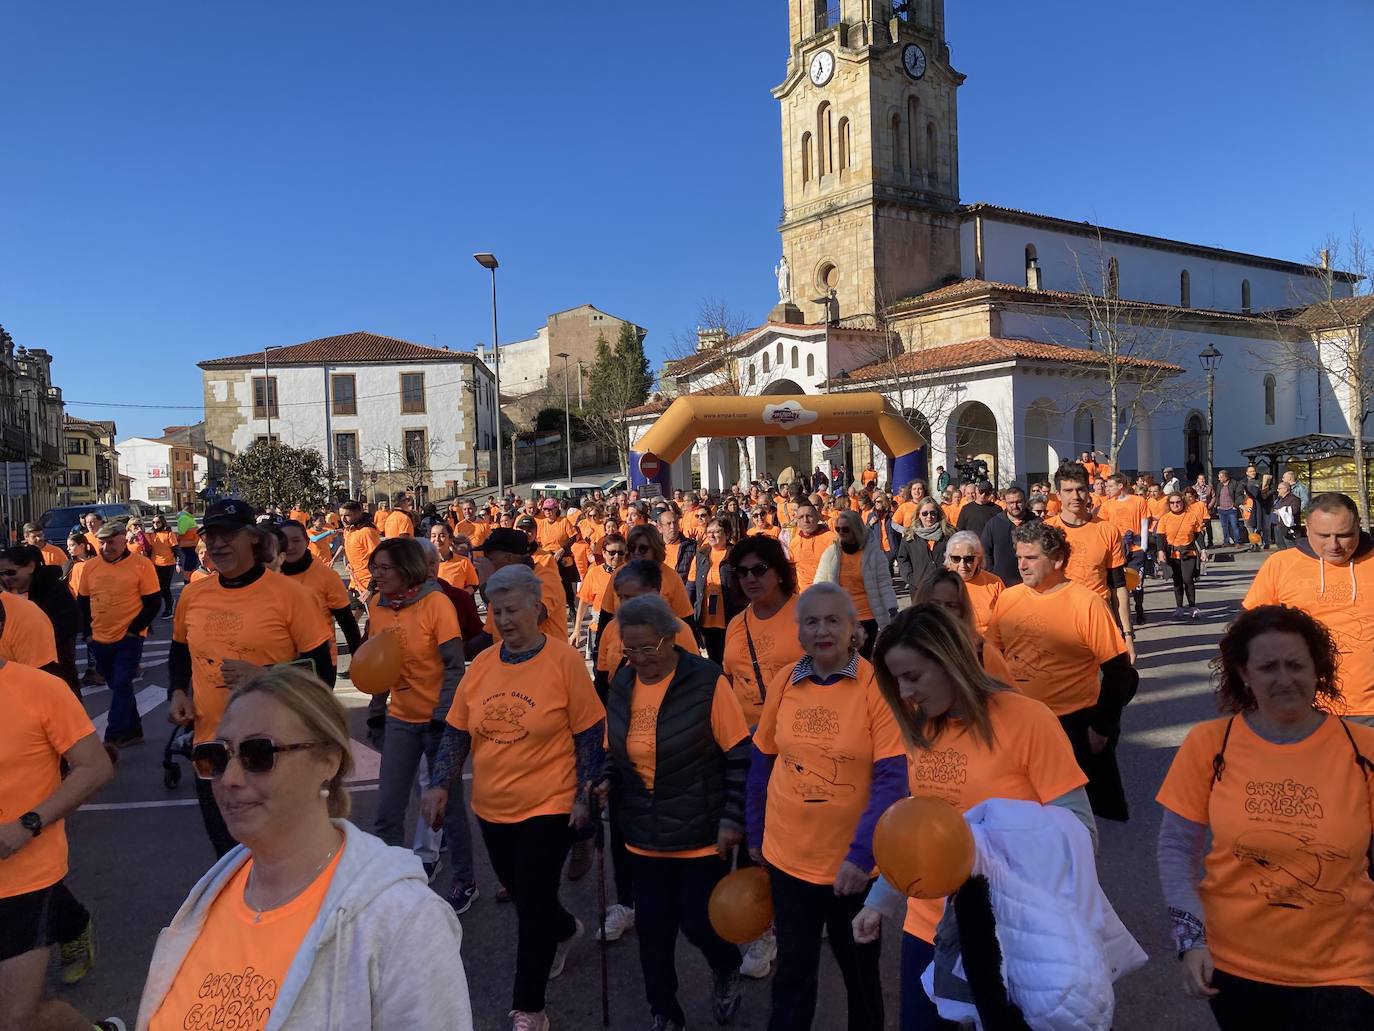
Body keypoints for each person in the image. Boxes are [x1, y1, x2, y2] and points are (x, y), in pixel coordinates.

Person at [137, 665, 473, 1030]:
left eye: (258, 754)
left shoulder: (403, 922)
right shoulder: (211, 894)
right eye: (217, 756)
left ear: (328, 760)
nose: (229, 779)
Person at [854, 603, 1093, 1030]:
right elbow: (919, 837)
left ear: (950, 659)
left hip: (1009, 932)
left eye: (913, 676)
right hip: (927, 929)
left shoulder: (1028, 721)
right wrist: (879, 903)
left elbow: (1081, 833)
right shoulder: (920, 730)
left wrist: (985, 845)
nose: (905, 692)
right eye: (896, 681)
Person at [1156, 606, 1374, 1028]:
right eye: (1268, 666)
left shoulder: (1362, 749)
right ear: (1244, 673)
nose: (1284, 678)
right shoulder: (1209, 744)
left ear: (1318, 669)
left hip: (1344, 967)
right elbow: (1176, 848)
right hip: (1235, 967)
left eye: (1296, 665)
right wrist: (1190, 942)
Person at [423, 565, 605, 1031]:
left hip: (551, 803)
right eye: (496, 610)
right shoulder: (483, 665)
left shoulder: (563, 662)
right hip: (492, 806)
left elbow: (589, 733)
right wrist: (440, 783)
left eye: (512, 609)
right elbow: (457, 732)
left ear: (537, 609)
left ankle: (529, 1008)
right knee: (531, 897)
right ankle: (565, 930)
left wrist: (585, 794)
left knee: (532, 899)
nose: (503, 619)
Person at [747, 582, 907, 1031]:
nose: (823, 630)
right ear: (799, 632)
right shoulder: (784, 682)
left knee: (859, 976)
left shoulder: (877, 686)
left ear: (854, 629)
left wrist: (862, 856)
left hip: (850, 870)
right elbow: (762, 760)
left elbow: (893, 779)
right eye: (812, 621)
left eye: (834, 620)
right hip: (788, 860)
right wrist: (755, 830)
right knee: (794, 976)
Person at [598, 594, 750, 1028]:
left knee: (701, 925)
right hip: (642, 833)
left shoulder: (706, 681)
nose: (640, 658)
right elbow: (615, 751)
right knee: (653, 933)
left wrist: (732, 818)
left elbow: (739, 754)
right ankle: (665, 1012)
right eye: (630, 649)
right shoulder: (624, 684)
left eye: (649, 648)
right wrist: (606, 780)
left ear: (671, 638)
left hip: (701, 831)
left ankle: (725, 966)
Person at [168, 499, 335, 857]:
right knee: (228, 857)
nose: (217, 544)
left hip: (275, 752)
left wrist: (266, 676)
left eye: (228, 534)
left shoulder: (292, 596)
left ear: (254, 540)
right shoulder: (194, 595)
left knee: (282, 856)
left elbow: (324, 672)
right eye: (210, 535)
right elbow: (179, 650)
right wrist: (178, 691)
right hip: (212, 749)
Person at [987, 520, 1138, 821]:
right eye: (1019, 557)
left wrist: (1101, 729)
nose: (1022, 565)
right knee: (1024, 812)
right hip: (1020, 723)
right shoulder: (1008, 598)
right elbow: (991, 658)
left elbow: (1119, 672)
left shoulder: (1086, 603)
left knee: (1076, 817)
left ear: (1057, 560)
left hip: (1072, 725)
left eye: (1031, 558)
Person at [0, 657, 118, 1031]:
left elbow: (95, 766)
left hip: (24, 880)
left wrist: (28, 824)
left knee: (17, 1018)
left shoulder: (40, 689)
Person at [365, 537, 476, 914]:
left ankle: (465, 879)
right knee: (387, 811)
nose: (376, 575)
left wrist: (441, 719)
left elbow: (454, 667)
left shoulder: (436, 603)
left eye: (384, 568)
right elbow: (377, 663)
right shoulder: (377, 607)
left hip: (441, 722)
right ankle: (395, 881)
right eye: (374, 567)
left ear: (406, 569)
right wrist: (376, 709)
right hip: (401, 718)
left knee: (448, 807)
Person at [1242, 492, 1374, 725]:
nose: (1334, 545)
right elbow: (1251, 633)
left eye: (1344, 535)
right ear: (1307, 527)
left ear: (1359, 526)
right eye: (1324, 535)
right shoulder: (1281, 564)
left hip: (1368, 709)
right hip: (1300, 706)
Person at [77, 519, 162, 748]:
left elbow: (153, 602)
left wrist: (135, 630)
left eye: (111, 542)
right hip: (99, 637)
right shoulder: (91, 567)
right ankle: (133, 730)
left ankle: (112, 737)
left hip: (129, 637)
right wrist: (86, 633)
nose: (106, 548)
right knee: (117, 685)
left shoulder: (141, 565)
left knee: (122, 682)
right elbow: (83, 602)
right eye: (102, 543)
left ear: (124, 539)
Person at [1046, 460, 1136, 661]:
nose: (1075, 496)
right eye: (1068, 491)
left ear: (1088, 491)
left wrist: (1127, 634)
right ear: (1058, 495)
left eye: (1080, 489)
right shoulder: (1047, 531)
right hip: (1058, 624)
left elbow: (1118, 585)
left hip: (1099, 622)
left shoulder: (1107, 530)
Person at [722, 535, 804, 729]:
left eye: (759, 570)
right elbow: (729, 678)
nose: (750, 578)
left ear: (780, 573)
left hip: (795, 730)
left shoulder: (809, 615)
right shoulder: (736, 623)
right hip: (746, 736)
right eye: (742, 572)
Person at [279, 519, 363, 684]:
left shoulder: (326, 576)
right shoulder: (268, 574)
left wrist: (358, 660)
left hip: (318, 660)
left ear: (307, 542)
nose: (290, 546)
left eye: (296, 541)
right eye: (284, 541)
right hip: (279, 660)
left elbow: (347, 623)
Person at [814, 510, 898, 658]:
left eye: (845, 529)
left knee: (862, 660)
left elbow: (884, 584)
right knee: (841, 658)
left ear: (856, 529)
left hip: (867, 616)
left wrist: (892, 608)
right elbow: (820, 583)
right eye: (838, 529)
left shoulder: (873, 554)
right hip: (840, 617)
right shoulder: (831, 553)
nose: (841, 532)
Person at [0, 545, 81, 695]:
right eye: (2, 574)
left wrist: (45, 637)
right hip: (16, 666)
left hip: (53, 661)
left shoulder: (52, 588)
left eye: (11, 572)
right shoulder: (6, 594)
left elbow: (71, 620)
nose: (6, 578)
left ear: (30, 567)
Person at [694, 517, 747, 664]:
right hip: (706, 617)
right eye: (708, 532)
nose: (711, 536)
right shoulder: (701, 554)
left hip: (730, 616)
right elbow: (693, 584)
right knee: (713, 660)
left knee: (730, 659)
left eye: (716, 532)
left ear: (727, 534)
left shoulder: (735, 554)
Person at [942, 530, 1003, 636]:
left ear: (978, 559)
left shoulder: (994, 583)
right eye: (956, 559)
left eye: (968, 559)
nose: (963, 565)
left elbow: (1007, 620)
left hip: (987, 646)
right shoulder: (939, 585)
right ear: (948, 559)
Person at [1156, 492, 1205, 619]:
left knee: (1188, 579)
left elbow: (1198, 535)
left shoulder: (1191, 516)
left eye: (1178, 502)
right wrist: (1160, 552)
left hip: (1189, 552)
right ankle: (1179, 607)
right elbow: (1160, 537)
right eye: (1172, 503)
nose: (1175, 505)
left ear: (1183, 502)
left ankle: (1193, 606)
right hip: (1173, 553)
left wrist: (1203, 550)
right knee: (1177, 581)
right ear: (1169, 504)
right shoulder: (1165, 518)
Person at [896, 498, 951, 596]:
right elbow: (903, 559)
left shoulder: (948, 534)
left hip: (944, 588)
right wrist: (911, 577)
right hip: (919, 589)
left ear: (938, 514)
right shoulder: (910, 535)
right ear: (919, 515)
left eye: (933, 513)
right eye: (925, 513)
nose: (929, 517)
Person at [978, 485, 1028, 586]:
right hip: (1001, 584)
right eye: (1011, 503)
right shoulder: (993, 524)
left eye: (1019, 502)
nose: (1015, 506)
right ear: (1005, 503)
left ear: (1025, 501)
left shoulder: (1036, 523)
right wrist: (992, 574)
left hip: (1030, 583)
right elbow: (984, 551)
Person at [782, 501, 834, 592]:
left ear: (818, 517)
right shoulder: (794, 542)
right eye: (801, 517)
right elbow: (792, 572)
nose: (805, 520)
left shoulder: (832, 539)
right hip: (804, 597)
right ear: (797, 520)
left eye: (809, 516)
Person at [340, 500, 381, 605]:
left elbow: (379, 560)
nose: (343, 519)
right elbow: (354, 551)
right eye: (341, 515)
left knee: (377, 620)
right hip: (356, 584)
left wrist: (371, 588)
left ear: (358, 514)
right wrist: (349, 563)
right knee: (349, 619)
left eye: (347, 515)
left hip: (370, 586)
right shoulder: (348, 531)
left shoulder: (367, 532)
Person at [430, 522, 479, 593]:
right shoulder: (425, 563)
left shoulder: (463, 562)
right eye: (433, 536)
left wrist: (459, 597)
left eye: (442, 536)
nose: (437, 539)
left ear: (450, 540)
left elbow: (473, 585)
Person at [148, 515, 180, 617]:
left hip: (168, 563)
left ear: (162, 523)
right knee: (158, 588)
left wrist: (179, 563)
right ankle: (170, 601)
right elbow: (148, 550)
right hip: (155, 563)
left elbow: (176, 549)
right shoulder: (151, 535)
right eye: (153, 522)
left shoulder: (169, 533)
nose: (155, 524)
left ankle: (168, 608)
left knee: (165, 587)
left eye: (158, 522)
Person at [1212, 469, 1242, 547]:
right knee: (1224, 526)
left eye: (1220, 477)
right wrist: (1217, 505)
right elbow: (1218, 495)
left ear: (1225, 477)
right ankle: (1226, 541)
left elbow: (1239, 495)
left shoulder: (1234, 483)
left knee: (1234, 526)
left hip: (1231, 509)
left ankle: (1237, 542)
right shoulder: (1219, 485)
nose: (1219, 479)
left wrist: (1235, 506)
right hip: (1221, 509)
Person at [1271, 479, 1302, 549]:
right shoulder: (1279, 499)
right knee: (1281, 546)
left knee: (1290, 546)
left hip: (1288, 528)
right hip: (1278, 526)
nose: (1277, 490)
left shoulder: (1294, 499)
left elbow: (1294, 510)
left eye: (1279, 488)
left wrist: (1280, 511)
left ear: (1285, 489)